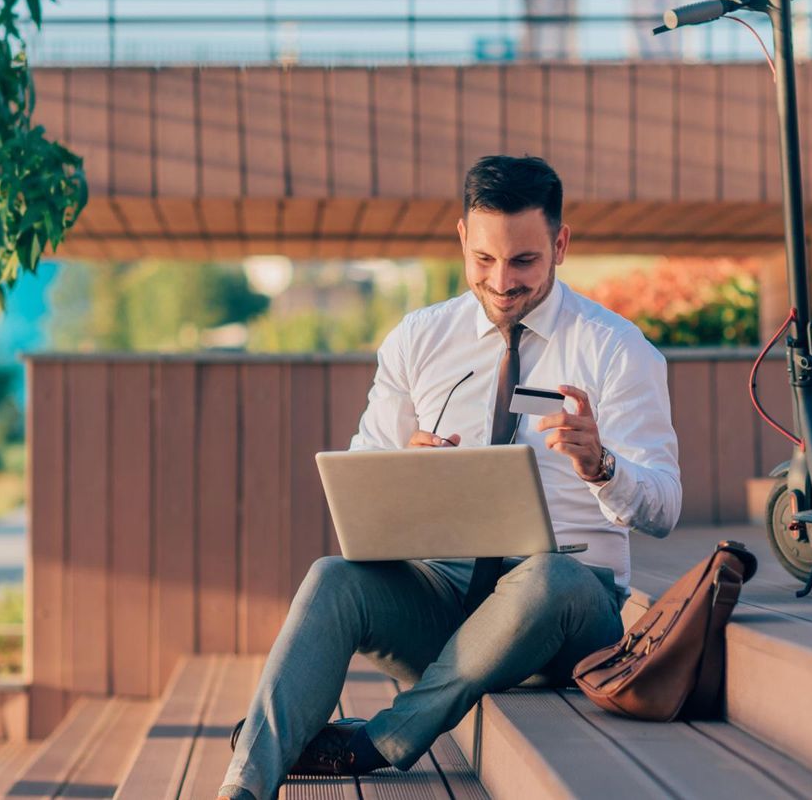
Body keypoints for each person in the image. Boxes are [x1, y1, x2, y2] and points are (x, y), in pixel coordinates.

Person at [216, 154, 683, 800]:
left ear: (561, 244)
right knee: (333, 578)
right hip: (447, 605)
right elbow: (362, 473)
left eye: (524, 261)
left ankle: (377, 741)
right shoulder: (418, 340)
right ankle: (244, 784)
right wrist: (402, 469)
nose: (501, 282)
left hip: (569, 615)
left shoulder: (616, 350)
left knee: (547, 576)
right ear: (462, 239)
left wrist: (603, 466)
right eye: (484, 259)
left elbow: (664, 508)